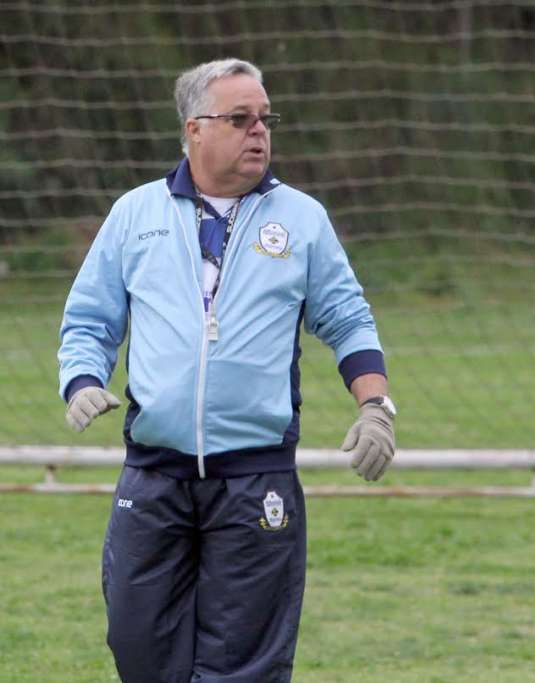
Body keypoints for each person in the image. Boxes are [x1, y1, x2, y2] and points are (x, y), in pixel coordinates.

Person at [58, 58, 397, 683]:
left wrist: (375, 407)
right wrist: (81, 380)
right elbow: (89, 321)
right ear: (194, 129)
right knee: (139, 652)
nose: (259, 132)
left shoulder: (301, 219)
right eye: (240, 119)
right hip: (154, 478)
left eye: (265, 119)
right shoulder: (135, 214)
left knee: (243, 669)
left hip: (255, 480)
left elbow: (349, 320)